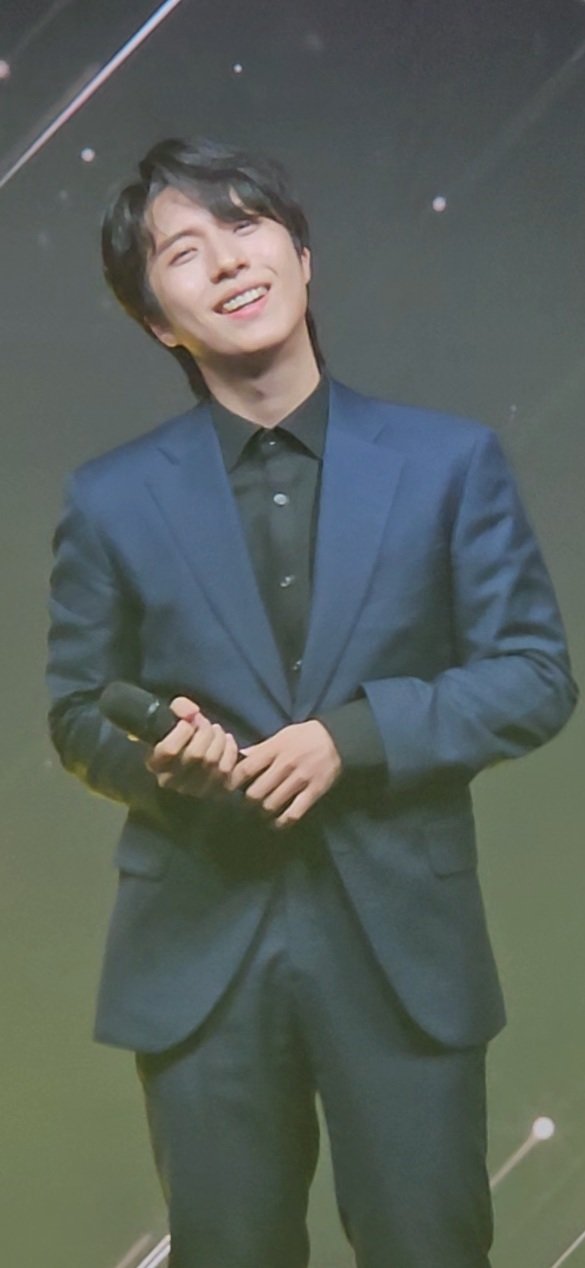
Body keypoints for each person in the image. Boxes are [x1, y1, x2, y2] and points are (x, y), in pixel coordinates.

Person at [46, 137, 577, 1268]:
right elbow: (78, 709)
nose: (227, 260)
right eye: (184, 251)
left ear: (300, 253)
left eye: (246, 225)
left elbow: (535, 673)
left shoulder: (449, 463)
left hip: (404, 949)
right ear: (157, 320)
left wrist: (357, 736)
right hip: (201, 953)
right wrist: (163, 765)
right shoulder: (110, 499)